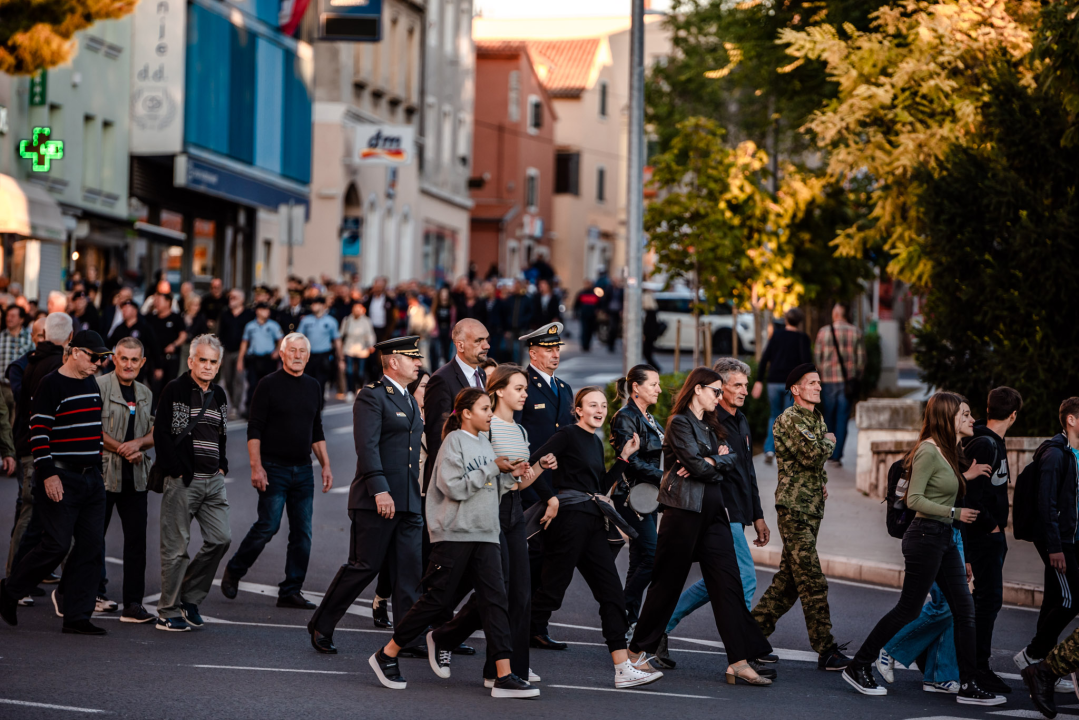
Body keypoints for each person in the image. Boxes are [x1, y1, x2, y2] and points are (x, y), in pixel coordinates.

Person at [369, 388, 540, 698]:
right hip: (455, 534)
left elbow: (490, 488)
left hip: (486, 533)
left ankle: (504, 675)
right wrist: (492, 468)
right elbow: (454, 488)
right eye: (485, 409)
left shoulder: (485, 444)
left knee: (495, 601)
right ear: (466, 413)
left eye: (491, 408)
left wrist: (511, 476)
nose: (491, 414)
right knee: (436, 600)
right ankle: (387, 654)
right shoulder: (454, 442)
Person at [843, 392, 1005, 706]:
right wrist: (956, 513)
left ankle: (968, 684)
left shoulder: (949, 450)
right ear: (948, 418)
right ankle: (859, 665)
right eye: (964, 414)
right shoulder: (928, 451)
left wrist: (963, 481)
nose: (971, 420)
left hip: (943, 537)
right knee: (909, 609)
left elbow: (944, 489)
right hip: (925, 537)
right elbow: (915, 500)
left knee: (964, 610)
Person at [629, 367, 775, 687]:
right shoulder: (679, 423)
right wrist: (709, 461)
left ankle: (738, 661)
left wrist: (709, 462)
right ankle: (634, 653)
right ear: (697, 389)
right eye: (715, 391)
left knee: (729, 584)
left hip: (714, 514)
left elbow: (728, 461)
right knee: (666, 585)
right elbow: (697, 464)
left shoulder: (711, 426)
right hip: (683, 513)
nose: (719, 397)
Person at [526, 386, 660, 688]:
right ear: (578, 411)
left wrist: (624, 458)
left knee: (611, 593)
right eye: (592, 405)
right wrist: (551, 497)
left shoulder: (595, 442)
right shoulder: (567, 435)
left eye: (602, 405)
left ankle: (622, 668)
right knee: (550, 594)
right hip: (570, 521)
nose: (599, 410)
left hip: (593, 522)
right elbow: (531, 465)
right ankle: (505, 658)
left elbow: (599, 486)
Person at [432, 365, 555, 686]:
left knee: (519, 592)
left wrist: (538, 467)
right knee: (496, 591)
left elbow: (518, 486)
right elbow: (482, 476)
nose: (525, 394)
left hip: (513, 510)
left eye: (526, 389)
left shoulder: (521, 431)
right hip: (487, 511)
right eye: (519, 388)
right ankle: (492, 663)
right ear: (499, 390)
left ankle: (504, 667)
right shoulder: (487, 428)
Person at [307, 336, 425, 654]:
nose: (419, 362)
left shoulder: (410, 400)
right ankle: (322, 623)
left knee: (409, 570)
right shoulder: (372, 397)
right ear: (393, 362)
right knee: (364, 566)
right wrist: (380, 490)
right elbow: (367, 447)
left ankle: (407, 636)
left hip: (409, 500)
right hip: (376, 499)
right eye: (412, 357)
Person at [0, 330, 112, 635]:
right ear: (74, 352)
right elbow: (39, 433)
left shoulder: (89, 381)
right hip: (60, 477)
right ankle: (10, 590)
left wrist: (97, 470)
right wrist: (48, 474)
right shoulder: (51, 384)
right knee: (56, 545)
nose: (98, 363)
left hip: (91, 479)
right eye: (93, 357)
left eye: (102, 358)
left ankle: (77, 616)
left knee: (91, 548)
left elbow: (91, 429)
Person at [222, 333, 332, 610]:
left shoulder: (313, 386)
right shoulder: (268, 385)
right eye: (292, 350)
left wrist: (326, 465)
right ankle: (235, 569)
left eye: (302, 351)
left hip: (304, 470)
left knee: (302, 533)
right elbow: (254, 428)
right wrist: (255, 466)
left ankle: (291, 590)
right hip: (273, 469)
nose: (297, 355)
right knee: (268, 526)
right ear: (281, 354)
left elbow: (315, 428)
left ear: (308, 356)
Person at [752, 363, 851, 671]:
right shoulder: (790, 419)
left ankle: (749, 636)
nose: (819, 387)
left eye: (819, 383)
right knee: (812, 580)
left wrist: (819, 480)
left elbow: (811, 461)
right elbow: (812, 453)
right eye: (812, 383)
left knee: (789, 582)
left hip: (810, 507)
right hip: (794, 508)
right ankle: (826, 649)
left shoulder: (815, 418)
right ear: (796, 389)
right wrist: (831, 442)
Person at [153, 334, 231, 632]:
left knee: (221, 539)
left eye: (213, 362)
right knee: (176, 549)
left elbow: (222, 435)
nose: (208, 366)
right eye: (203, 360)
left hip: (214, 481)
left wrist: (222, 466)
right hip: (184, 481)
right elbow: (161, 434)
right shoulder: (175, 389)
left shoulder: (220, 395)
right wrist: (177, 470)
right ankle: (167, 610)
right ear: (191, 361)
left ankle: (189, 597)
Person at [514, 322, 574, 650]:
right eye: (548, 349)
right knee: (530, 557)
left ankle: (537, 624)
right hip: (529, 486)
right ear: (533, 352)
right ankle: (517, 623)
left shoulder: (564, 389)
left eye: (557, 348)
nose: (555, 354)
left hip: (557, 486)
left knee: (551, 560)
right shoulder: (522, 386)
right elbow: (519, 440)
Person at [961, 386, 1023, 693]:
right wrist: (992, 527)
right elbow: (972, 495)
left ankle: (971, 663)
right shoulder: (985, 444)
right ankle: (978, 668)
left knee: (981, 602)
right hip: (984, 536)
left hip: (987, 536)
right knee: (987, 602)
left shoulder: (989, 440)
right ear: (1013, 415)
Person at [1014, 397, 1079, 681]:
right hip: (1059, 541)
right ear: (1071, 420)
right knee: (1071, 599)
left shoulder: (1075, 454)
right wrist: (1055, 547)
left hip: (1072, 538)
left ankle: (1043, 662)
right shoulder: (1055, 454)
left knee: (1054, 596)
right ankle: (1034, 653)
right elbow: (1046, 503)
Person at [96, 337, 156, 623]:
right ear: (114, 359)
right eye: (123, 358)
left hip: (136, 478)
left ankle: (133, 604)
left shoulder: (146, 393)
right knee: (93, 538)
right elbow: (92, 428)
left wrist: (140, 444)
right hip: (104, 476)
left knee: (136, 543)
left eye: (135, 360)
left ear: (142, 362)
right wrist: (124, 447)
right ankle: (92, 594)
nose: (129, 364)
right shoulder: (99, 386)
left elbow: (155, 432)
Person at [6, 313, 70, 579]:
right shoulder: (27, 366)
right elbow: (32, 408)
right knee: (30, 510)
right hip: (33, 447)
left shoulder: (36, 364)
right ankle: (14, 577)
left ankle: (31, 573)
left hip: (37, 446)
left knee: (41, 513)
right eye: (40, 334)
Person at [609, 364, 664, 630]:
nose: (659, 389)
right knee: (653, 557)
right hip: (630, 495)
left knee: (640, 558)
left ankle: (626, 621)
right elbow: (629, 461)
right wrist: (664, 477)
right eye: (653, 384)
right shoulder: (625, 416)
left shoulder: (648, 417)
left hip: (648, 497)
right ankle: (619, 612)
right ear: (636, 388)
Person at [424, 319, 490, 496]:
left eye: (487, 339)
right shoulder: (441, 379)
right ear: (460, 345)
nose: (487, 345)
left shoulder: (481, 374)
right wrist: (449, 481)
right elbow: (437, 435)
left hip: (481, 470)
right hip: (457, 477)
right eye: (479, 340)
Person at [752, 308, 812, 463]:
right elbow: (806, 363)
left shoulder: (777, 336)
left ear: (786, 320)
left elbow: (765, 358)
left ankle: (770, 450)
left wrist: (759, 380)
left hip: (772, 382)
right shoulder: (802, 338)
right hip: (791, 384)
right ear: (799, 322)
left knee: (774, 415)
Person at [813, 303, 864, 466]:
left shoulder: (823, 332)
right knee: (842, 418)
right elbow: (861, 360)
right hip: (846, 382)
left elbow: (817, 358)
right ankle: (838, 455)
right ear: (845, 314)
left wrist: (820, 376)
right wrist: (856, 376)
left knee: (828, 417)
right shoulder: (855, 332)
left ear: (835, 315)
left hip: (828, 381)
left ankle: (828, 451)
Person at [237, 302, 283, 415]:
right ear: (258, 311)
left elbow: (281, 340)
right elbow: (244, 343)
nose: (267, 312)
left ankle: (270, 410)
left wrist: (277, 351)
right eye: (264, 310)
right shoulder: (250, 326)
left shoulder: (273, 325)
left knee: (269, 386)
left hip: (268, 359)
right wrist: (240, 360)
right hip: (254, 359)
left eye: (268, 310)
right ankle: (250, 409)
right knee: (253, 385)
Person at [216, 289, 254, 417]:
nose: (231, 299)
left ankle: (236, 407)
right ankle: (232, 400)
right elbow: (220, 334)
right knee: (227, 379)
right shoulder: (225, 314)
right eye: (230, 297)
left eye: (234, 297)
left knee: (239, 379)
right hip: (227, 350)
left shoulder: (248, 314)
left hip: (241, 351)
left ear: (242, 300)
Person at [147, 292, 188, 402]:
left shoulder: (176, 317)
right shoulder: (151, 318)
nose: (156, 303)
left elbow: (183, 335)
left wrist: (174, 345)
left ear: (168, 302)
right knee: (155, 388)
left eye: (159, 300)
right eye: (155, 301)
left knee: (170, 386)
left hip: (171, 358)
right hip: (155, 358)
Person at [297, 296, 341, 399]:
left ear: (322, 306)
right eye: (312, 304)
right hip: (309, 355)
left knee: (321, 381)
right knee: (307, 381)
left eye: (315, 304)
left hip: (324, 355)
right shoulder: (306, 320)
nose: (313, 306)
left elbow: (337, 340)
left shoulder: (331, 321)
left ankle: (319, 407)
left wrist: (340, 358)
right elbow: (299, 337)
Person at [107, 299, 158, 384]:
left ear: (135, 311)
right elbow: (109, 343)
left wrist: (157, 367)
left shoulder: (144, 327)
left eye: (127, 308)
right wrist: (105, 357)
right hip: (121, 368)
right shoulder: (119, 328)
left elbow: (154, 347)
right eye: (123, 309)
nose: (124, 311)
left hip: (138, 369)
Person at [340, 301, 376, 398]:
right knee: (349, 371)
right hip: (349, 349)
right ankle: (350, 390)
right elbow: (341, 335)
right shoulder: (347, 320)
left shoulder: (366, 321)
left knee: (360, 372)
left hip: (362, 350)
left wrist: (371, 345)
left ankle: (359, 387)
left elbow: (370, 334)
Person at [573, 282, 599, 352]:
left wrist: (597, 310)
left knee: (590, 331)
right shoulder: (581, 293)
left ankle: (588, 345)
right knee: (584, 330)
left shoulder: (595, 294)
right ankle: (584, 345)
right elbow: (576, 304)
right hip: (584, 315)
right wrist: (575, 313)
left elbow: (599, 304)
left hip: (592, 316)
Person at [641, 291, 663, 373]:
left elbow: (648, 326)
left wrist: (645, 335)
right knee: (647, 353)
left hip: (649, 335)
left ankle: (655, 368)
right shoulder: (652, 311)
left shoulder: (650, 313)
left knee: (647, 352)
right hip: (651, 335)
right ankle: (653, 368)